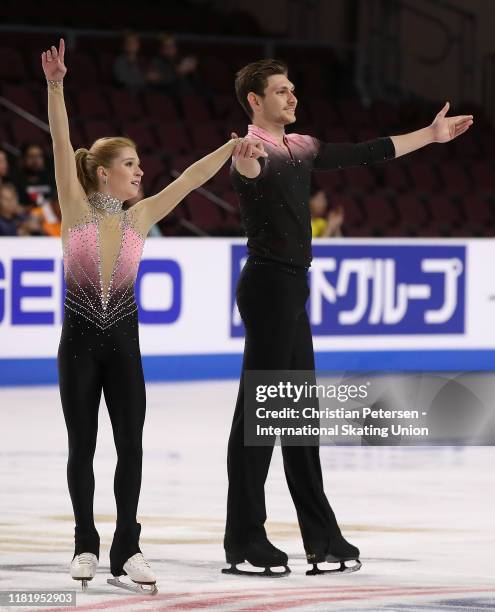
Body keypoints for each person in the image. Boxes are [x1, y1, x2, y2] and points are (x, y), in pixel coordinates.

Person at [226, 58, 473, 577]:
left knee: (297, 418)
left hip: (292, 287)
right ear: (255, 100)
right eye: (281, 91)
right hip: (269, 286)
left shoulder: (302, 146)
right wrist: (245, 160)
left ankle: (321, 538)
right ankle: (245, 540)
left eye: (293, 89)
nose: (292, 97)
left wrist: (429, 136)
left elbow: (368, 152)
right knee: (260, 415)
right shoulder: (252, 150)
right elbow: (247, 175)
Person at [42, 38, 266, 594]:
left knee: (132, 446)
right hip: (78, 347)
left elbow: (189, 179)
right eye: (131, 164)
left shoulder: (142, 217)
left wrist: (230, 148)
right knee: (82, 447)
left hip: (124, 347)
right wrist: (54, 85)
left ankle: (127, 547)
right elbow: (61, 138)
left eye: (140, 164)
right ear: (102, 175)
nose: (141, 172)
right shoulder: (74, 206)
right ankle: (84, 543)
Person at [15, 142, 56, 206]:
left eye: (39, 156)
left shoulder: (51, 179)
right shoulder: (16, 182)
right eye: (31, 156)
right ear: (23, 159)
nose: (36, 160)